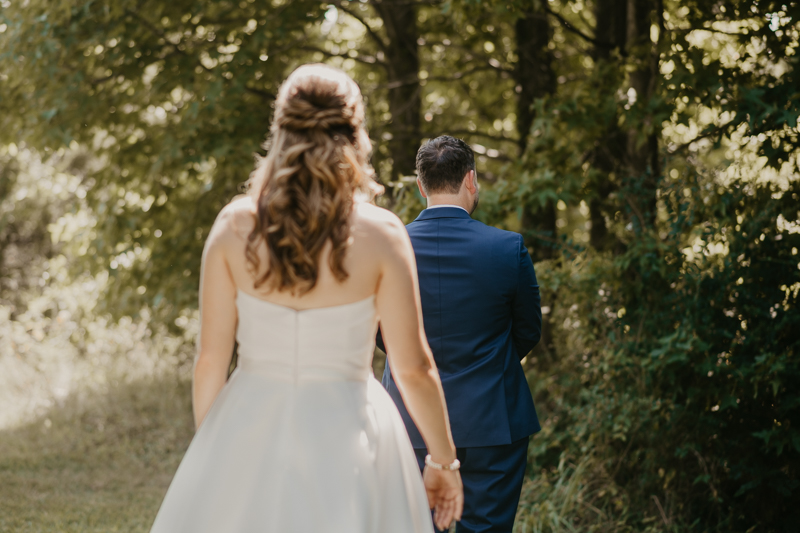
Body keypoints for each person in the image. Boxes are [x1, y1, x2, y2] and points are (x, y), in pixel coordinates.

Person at [150, 65, 463, 533]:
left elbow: (210, 362)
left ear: (279, 131)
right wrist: (444, 461)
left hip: (249, 421)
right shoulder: (382, 235)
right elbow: (414, 368)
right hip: (354, 432)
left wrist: (213, 452)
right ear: (356, 134)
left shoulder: (234, 228)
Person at [379, 136, 542, 533]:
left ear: (421, 186)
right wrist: (490, 364)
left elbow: (381, 334)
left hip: (408, 422)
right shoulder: (507, 248)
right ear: (471, 180)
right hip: (493, 422)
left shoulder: (387, 248)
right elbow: (528, 330)